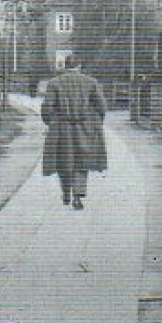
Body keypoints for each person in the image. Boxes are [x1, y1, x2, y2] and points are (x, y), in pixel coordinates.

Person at [41, 58, 108, 210]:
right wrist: (96, 122)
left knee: (63, 161)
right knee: (81, 161)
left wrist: (50, 122)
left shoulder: (54, 83)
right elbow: (102, 106)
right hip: (85, 127)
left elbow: (47, 108)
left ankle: (66, 193)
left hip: (61, 128)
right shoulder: (91, 82)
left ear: (65, 66)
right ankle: (77, 196)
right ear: (79, 66)